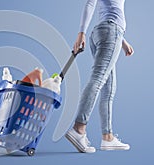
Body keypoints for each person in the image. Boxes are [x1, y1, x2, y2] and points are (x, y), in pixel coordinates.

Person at [65, 0, 134, 153]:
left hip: (106, 32)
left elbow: (109, 10)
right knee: (98, 79)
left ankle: (107, 137)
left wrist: (122, 40)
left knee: (109, 88)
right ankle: (78, 129)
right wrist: (81, 32)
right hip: (110, 31)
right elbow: (90, 3)